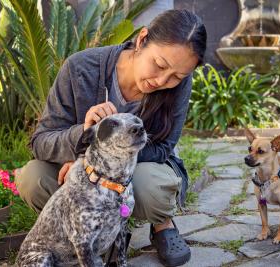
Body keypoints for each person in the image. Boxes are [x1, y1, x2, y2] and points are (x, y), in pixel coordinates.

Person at [15, 9, 207, 267]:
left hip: (138, 167)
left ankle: (162, 225)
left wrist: (95, 162)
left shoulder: (180, 85)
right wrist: (84, 137)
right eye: (159, 65)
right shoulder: (80, 67)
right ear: (142, 39)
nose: (162, 80)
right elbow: (41, 141)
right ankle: (78, 231)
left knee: (152, 190)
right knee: (33, 178)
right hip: (79, 174)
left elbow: (163, 147)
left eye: (176, 76)